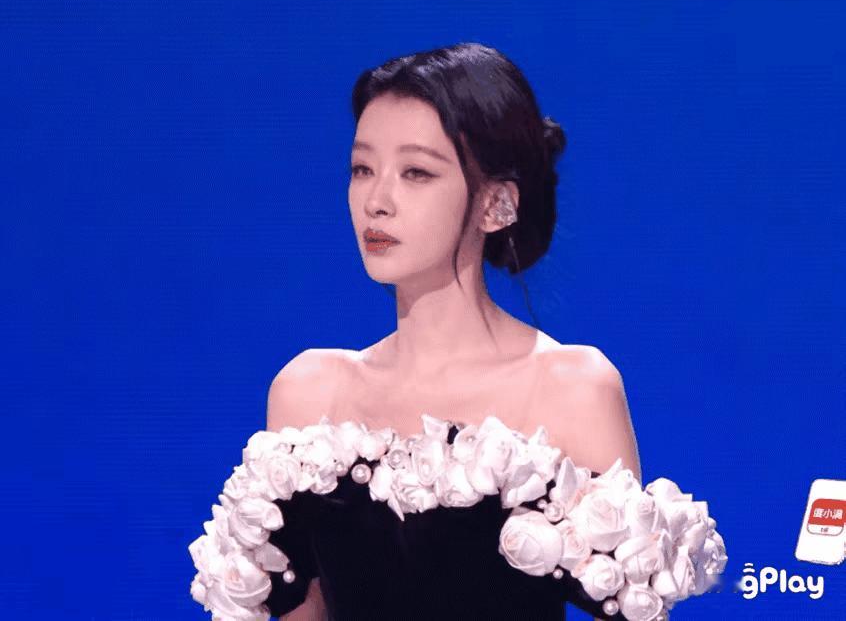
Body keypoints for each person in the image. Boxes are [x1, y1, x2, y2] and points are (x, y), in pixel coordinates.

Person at [189, 42, 727, 621]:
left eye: (416, 172)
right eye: (362, 169)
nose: (376, 201)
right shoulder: (308, 391)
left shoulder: (571, 387)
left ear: (496, 205)